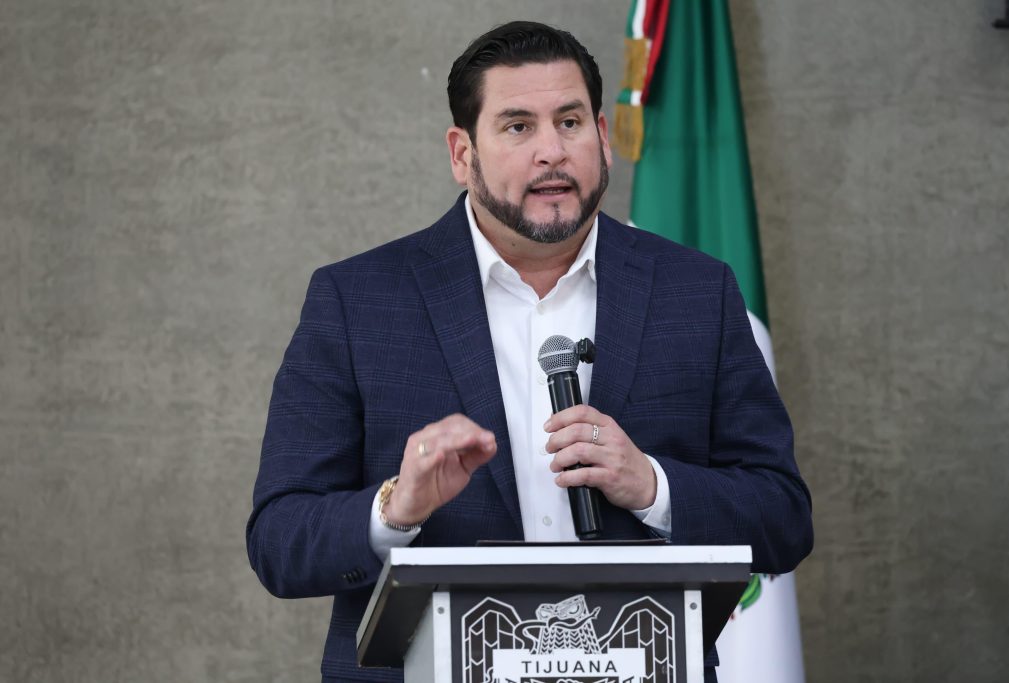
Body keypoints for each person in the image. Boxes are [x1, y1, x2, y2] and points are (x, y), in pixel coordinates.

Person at [247, 20, 812, 683]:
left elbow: (783, 518)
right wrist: (394, 509)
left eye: (569, 123)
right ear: (462, 153)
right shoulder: (358, 300)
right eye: (518, 127)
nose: (552, 151)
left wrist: (652, 485)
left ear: (603, 137)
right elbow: (279, 540)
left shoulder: (696, 291)